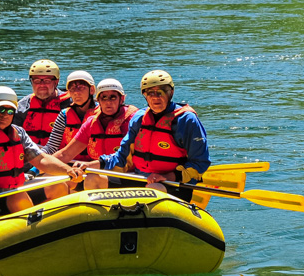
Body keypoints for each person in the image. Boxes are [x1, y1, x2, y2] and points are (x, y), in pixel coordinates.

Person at [0, 86, 83, 216]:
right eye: (0, 109)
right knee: (17, 197)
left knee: (57, 186)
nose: (5, 115)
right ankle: (34, 230)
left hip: (10, 190)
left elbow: (41, 159)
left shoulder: (18, 132)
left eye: (10, 111)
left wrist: (67, 170)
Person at [78, 70, 210, 199]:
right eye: (150, 93)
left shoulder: (186, 120)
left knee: (154, 189)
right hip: (140, 178)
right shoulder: (140, 118)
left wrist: (168, 177)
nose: (155, 97)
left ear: (171, 93)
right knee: (92, 178)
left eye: (161, 92)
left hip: (174, 184)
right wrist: (90, 165)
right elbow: (121, 156)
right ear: (145, 95)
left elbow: (201, 162)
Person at [54, 79, 139, 189]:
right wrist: (38, 168)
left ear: (121, 99)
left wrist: (90, 165)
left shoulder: (134, 121)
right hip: (99, 172)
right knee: (61, 178)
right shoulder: (91, 123)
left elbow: (121, 158)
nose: (108, 102)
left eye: (113, 97)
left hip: (129, 176)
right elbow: (65, 154)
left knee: (92, 178)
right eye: (104, 98)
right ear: (98, 100)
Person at [14, 59, 71, 147]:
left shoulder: (70, 105)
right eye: (37, 80)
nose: (42, 85)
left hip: (62, 157)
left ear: (56, 82)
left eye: (47, 81)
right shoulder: (23, 106)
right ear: (31, 82)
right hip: (30, 155)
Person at [43, 70, 98, 160]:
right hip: (69, 163)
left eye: (81, 87)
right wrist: (37, 159)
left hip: (96, 166)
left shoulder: (102, 114)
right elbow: (51, 147)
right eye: (72, 89)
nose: (76, 92)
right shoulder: (64, 115)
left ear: (92, 90)